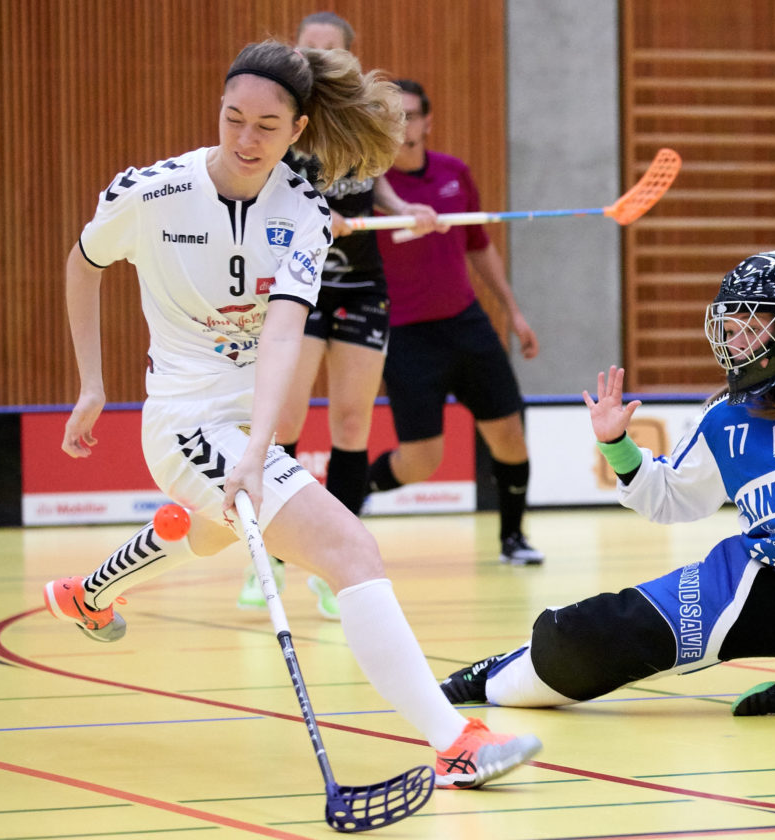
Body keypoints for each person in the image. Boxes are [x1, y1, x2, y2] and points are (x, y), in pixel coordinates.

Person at [41, 39, 540, 789]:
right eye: (233, 118)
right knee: (350, 552)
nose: (245, 139)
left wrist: (259, 447)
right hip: (183, 421)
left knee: (205, 534)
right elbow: (84, 263)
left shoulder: (302, 210)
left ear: (299, 130)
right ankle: (454, 741)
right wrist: (91, 383)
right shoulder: (151, 192)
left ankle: (87, 595)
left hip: (242, 427)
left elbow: (283, 329)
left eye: (266, 126)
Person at [438, 251, 775, 726]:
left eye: (750, 322)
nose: (732, 337)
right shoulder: (723, 417)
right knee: (576, 642)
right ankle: (491, 674)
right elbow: (671, 498)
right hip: (749, 583)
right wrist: (618, 447)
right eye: (729, 323)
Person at [234, 12, 443, 619]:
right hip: (302, 286)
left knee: (353, 424)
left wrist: (407, 209)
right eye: (308, 48)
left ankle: (335, 565)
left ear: (350, 57)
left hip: (362, 283)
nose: (317, 57)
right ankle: (268, 560)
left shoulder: (364, 117)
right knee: (285, 421)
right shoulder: (280, 121)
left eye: (329, 50)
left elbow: (374, 184)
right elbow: (260, 194)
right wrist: (313, 218)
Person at [364, 79, 544, 566]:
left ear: (427, 121)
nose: (405, 126)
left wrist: (513, 311)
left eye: (412, 115)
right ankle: (351, 490)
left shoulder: (454, 174)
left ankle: (513, 538)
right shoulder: (370, 188)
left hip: (466, 324)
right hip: (405, 334)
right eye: (393, 117)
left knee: (509, 435)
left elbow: (479, 248)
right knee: (422, 461)